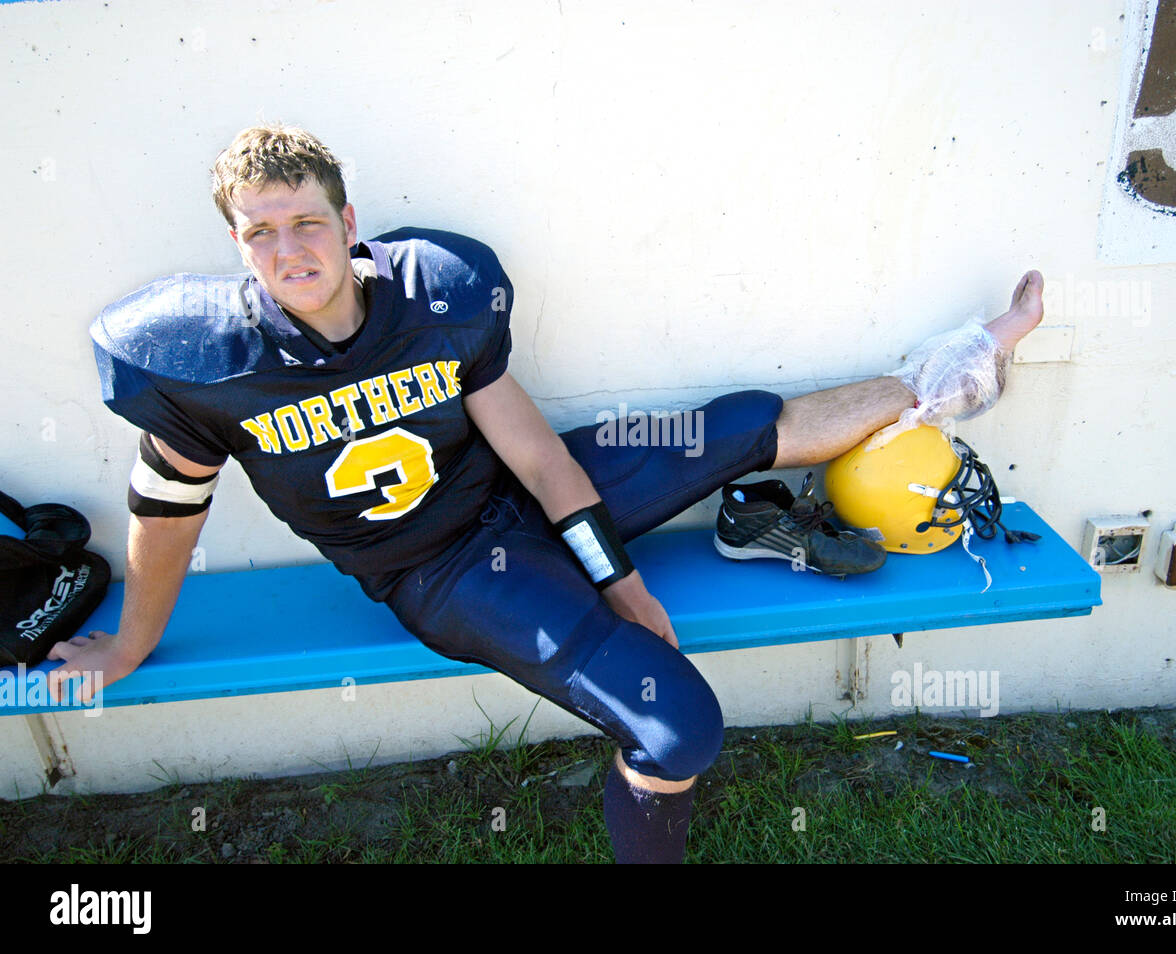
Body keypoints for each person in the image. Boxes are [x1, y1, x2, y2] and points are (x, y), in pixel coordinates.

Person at [52, 124, 1044, 863]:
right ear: (234, 244)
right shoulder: (200, 361)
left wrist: (615, 579)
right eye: (258, 233)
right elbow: (165, 514)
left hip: (517, 496)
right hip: (438, 571)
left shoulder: (435, 292)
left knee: (735, 421)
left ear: (347, 223)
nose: (287, 251)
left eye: (306, 220)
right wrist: (133, 642)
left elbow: (533, 456)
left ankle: (965, 360)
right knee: (677, 726)